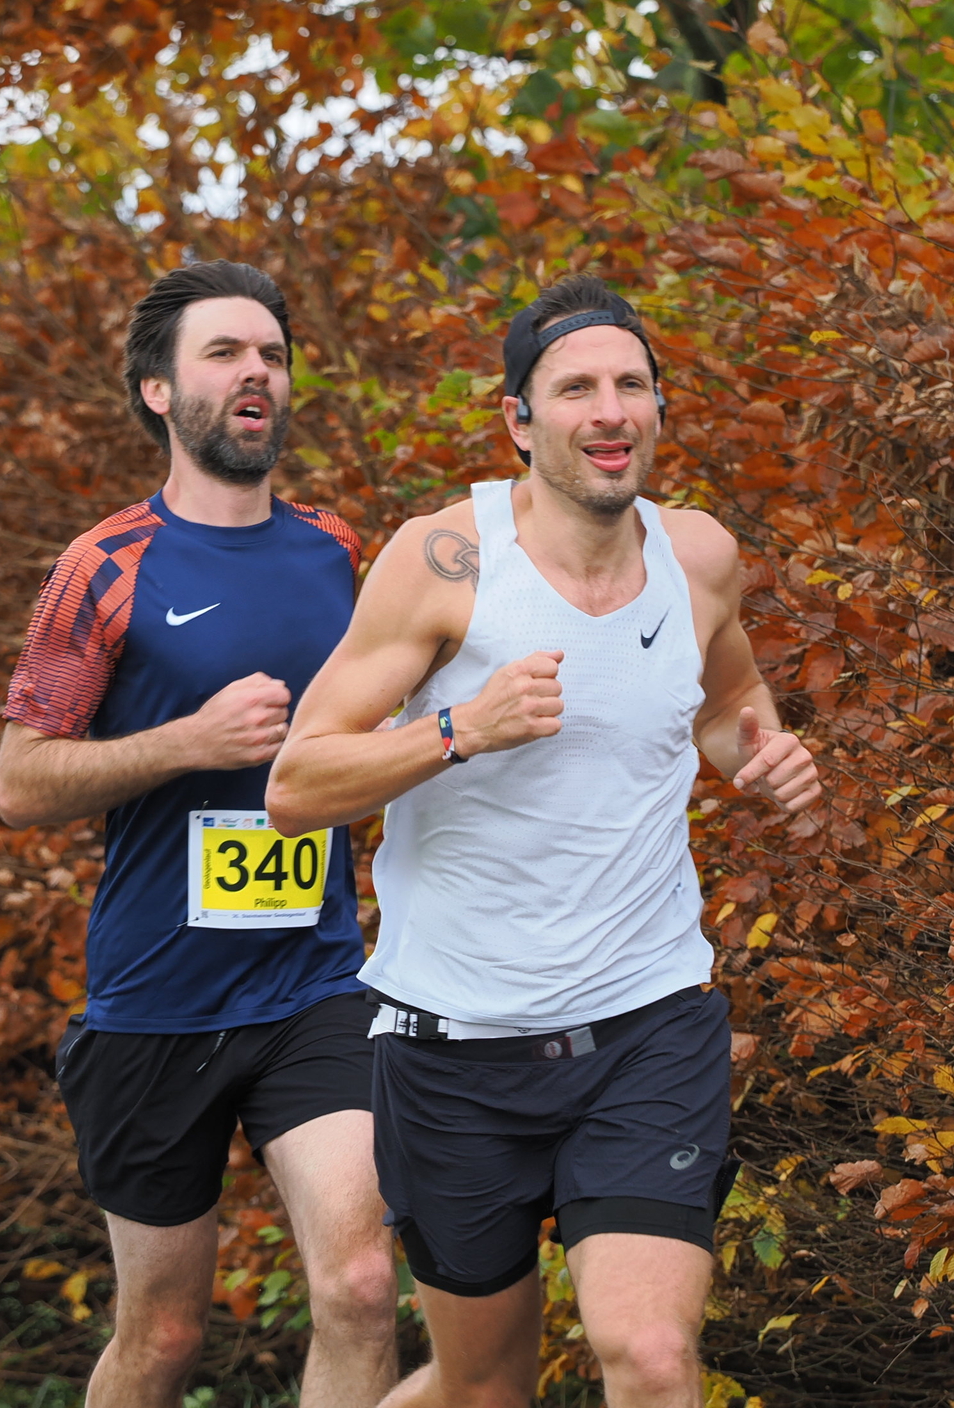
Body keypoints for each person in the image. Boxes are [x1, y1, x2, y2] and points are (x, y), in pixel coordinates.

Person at [265, 273, 820, 1408]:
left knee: (651, 1356)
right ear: (518, 420)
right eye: (575, 389)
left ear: (658, 408)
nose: (609, 411)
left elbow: (726, 701)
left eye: (631, 385)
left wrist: (761, 756)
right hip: (453, 1048)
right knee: (483, 1389)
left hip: (647, 1024)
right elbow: (296, 784)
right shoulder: (443, 561)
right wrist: (459, 730)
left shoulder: (699, 555)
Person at [0, 261, 397, 1408]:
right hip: (155, 1001)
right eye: (223, 354)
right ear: (159, 391)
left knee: (363, 1285)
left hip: (313, 982)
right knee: (163, 1339)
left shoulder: (334, 549)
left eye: (271, 354)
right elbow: (19, 784)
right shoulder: (103, 568)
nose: (255, 372)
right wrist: (187, 741)